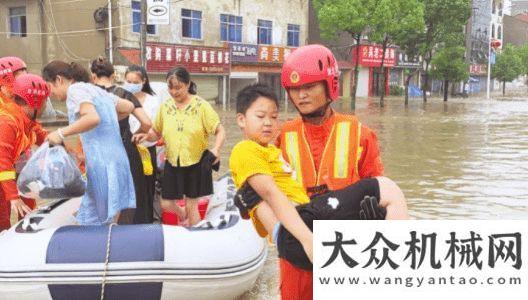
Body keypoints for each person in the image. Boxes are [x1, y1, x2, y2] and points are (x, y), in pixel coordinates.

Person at [230, 84, 409, 300]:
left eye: (309, 86)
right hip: (302, 230)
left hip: (321, 228)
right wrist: (246, 205)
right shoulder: (278, 137)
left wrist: (376, 217)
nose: (301, 94)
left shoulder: (357, 131)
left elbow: (372, 174)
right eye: (295, 89)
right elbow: (266, 192)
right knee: (388, 189)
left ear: (329, 86)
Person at [42, 60, 136, 225]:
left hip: (103, 164)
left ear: (58, 79)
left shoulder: (75, 90)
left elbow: (92, 118)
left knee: (95, 224)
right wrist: (109, 122)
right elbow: (128, 106)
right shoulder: (95, 90)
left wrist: (60, 133)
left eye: (49, 87)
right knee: (106, 221)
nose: (51, 94)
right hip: (117, 161)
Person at [134, 67, 226, 226]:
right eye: (170, 88)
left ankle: (195, 239)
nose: (174, 92)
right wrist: (146, 136)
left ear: (188, 84)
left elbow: (220, 130)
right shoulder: (166, 107)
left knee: (192, 205)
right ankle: (181, 214)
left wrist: (216, 149)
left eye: (178, 87)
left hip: (195, 162)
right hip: (172, 161)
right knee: (165, 203)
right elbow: (156, 132)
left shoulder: (201, 106)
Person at [90, 57, 152, 224]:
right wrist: (135, 135)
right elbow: (147, 123)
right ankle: (129, 236)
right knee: (130, 193)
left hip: (99, 152)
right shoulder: (125, 95)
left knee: (103, 194)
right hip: (126, 147)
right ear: (114, 75)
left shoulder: (88, 95)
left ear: (93, 76)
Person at [0, 74, 50, 231]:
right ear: (34, 102)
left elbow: (43, 136)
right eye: (44, 102)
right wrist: (14, 197)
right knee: (2, 221)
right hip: (3, 171)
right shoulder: (8, 122)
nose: (45, 106)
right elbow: (3, 161)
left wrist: (65, 150)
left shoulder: (24, 120)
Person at [125, 64, 161, 224]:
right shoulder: (122, 99)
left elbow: (157, 130)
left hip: (146, 151)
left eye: (135, 82)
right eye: (128, 81)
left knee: (146, 189)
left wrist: (145, 135)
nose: (131, 85)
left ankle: (145, 221)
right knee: (129, 188)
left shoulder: (153, 101)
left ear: (143, 81)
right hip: (126, 152)